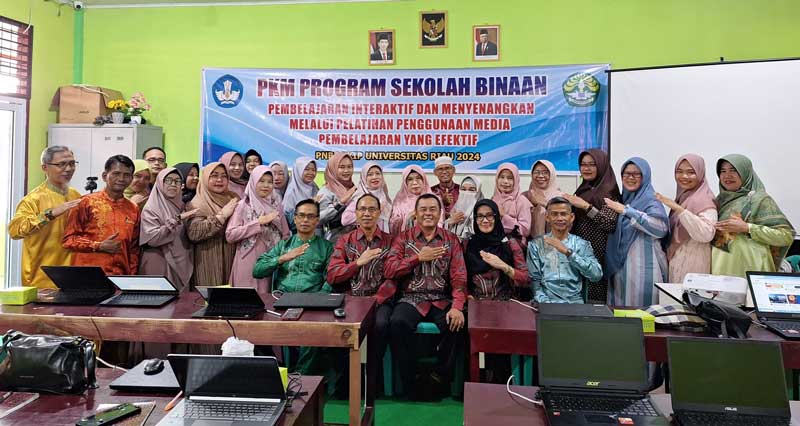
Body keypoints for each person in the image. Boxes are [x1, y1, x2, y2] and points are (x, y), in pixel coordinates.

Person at [385, 194, 467, 399]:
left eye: (433, 209)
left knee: (457, 323)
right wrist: (416, 258)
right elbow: (389, 269)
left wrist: (457, 306)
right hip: (411, 299)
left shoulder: (451, 240)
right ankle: (410, 379)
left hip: (442, 299)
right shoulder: (403, 238)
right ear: (416, 213)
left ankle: (440, 378)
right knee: (397, 322)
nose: (428, 213)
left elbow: (459, 277)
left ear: (440, 213)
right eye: (423, 209)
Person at [326, 193, 396, 384]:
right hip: (350, 299)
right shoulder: (344, 240)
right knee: (335, 327)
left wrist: (377, 299)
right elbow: (332, 275)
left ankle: (372, 380)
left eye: (372, 209)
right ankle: (345, 381)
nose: (367, 213)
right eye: (362, 209)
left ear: (379, 212)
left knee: (380, 325)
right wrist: (358, 263)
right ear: (356, 213)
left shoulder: (390, 241)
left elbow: (394, 278)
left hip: (378, 302)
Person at [8, 146, 82, 288]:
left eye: (72, 163)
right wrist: (50, 214)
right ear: (45, 168)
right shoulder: (33, 199)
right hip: (41, 278)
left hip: (71, 275)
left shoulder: (75, 195)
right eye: (61, 164)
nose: (68, 169)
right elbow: (14, 230)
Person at [711, 154, 794, 277]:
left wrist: (747, 228)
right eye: (723, 171)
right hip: (721, 267)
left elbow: (785, 236)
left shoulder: (759, 199)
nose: (727, 176)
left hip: (750, 267)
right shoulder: (719, 200)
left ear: (746, 173)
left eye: (734, 170)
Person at [605, 158, 669, 307]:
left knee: (643, 317)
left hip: (644, 268)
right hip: (621, 269)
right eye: (626, 174)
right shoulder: (623, 199)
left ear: (645, 176)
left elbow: (660, 229)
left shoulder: (650, 200)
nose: (630, 178)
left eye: (636, 174)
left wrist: (628, 211)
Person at [63, 155, 140, 275]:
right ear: (105, 176)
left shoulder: (133, 208)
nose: (121, 178)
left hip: (120, 277)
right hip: (88, 274)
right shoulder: (85, 203)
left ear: (131, 179)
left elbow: (134, 249)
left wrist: (132, 277)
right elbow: (68, 240)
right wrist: (98, 246)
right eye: (116, 173)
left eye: (127, 175)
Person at [561, 149, 621, 303]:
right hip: (579, 250)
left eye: (592, 164)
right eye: (583, 164)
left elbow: (609, 223)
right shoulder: (583, 189)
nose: (586, 168)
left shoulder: (610, 192)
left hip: (599, 252)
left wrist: (586, 207)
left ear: (601, 166)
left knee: (594, 301)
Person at [226, 166, 290, 293]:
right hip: (248, 259)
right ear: (253, 181)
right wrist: (257, 223)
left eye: (269, 182)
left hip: (271, 259)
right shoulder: (243, 206)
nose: (266, 185)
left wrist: (280, 256)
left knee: (268, 298)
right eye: (261, 181)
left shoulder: (276, 205)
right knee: (247, 299)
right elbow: (230, 235)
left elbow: (286, 234)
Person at [655, 154, 718, 283]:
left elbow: (706, 234)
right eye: (679, 171)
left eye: (691, 172)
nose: (684, 176)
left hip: (694, 263)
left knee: (690, 300)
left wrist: (679, 209)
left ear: (700, 173)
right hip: (678, 262)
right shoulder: (684, 197)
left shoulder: (704, 199)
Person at [527, 197, 603, 303]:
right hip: (546, 303)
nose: (559, 218)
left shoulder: (581, 244)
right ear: (547, 217)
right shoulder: (536, 245)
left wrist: (568, 253)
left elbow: (596, 275)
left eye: (563, 214)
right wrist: (546, 304)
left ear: (571, 217)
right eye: (554, 214)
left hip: (575, 303)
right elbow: (535, 281)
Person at [253, 199, 333, 293]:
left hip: (312, 301)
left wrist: (317, 300)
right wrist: (282, 258)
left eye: (310, 216)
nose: (305, 220)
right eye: (301, 215)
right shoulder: (284, 245)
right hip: (283, 299)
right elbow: (257, 271)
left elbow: (331, 279)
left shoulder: (326, 248)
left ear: (317, 220)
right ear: (295, 219)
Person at [139, 168, 198, 290]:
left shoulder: (183, 205)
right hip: (159, 261)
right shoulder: (151, 208)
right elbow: (153, 239)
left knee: (181, 305)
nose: (173, 185)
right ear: (160, 183)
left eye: (177, 181)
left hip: (182, 260)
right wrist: (177, 219)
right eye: (169, 181)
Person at [186, 162, 239, 287]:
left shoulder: (234, 198)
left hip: (233, 259)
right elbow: (194, 233)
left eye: (224, 176)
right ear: (205, 178)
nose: (219, 180)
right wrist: (222, 216)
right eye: (214, 176)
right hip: (208, 261)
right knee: (209, 300)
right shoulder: (196, 203)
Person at [465, 199, 528, 301]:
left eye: (489, 215)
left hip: (506, 305)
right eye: (480, 216)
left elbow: (525, 280)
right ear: (475, 219)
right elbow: (460, 279)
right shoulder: (467, 244)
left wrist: (503, 266)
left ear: (497, 217)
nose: (485, 220)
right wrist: (466, 295)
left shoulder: (509, 243)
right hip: (476, 305)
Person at [341, 161, 393, 233]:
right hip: (365, 238)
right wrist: (370, 213)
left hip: (384, 239)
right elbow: (345, 220)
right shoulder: (360, 197)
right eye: (370, 174)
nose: (375, 177)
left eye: (378, 173)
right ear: (364, 177)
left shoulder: (383, 195)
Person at [318, 152, 357, 241]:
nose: (346, 171)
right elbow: (318, 219)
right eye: (342, 167)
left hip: (355, 241)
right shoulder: (325, 191)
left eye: (349, 167)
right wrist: (340, 203)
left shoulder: (353, 188)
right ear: (333, 168)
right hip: (335, 241)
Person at [390, 165, 439, 235]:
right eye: (410, 179)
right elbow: (392, 229)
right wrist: (408, 218)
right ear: (405, 183)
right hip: (404, 242)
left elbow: (440, 224)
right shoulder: (399, 202)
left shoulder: (435, 200)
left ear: (424, 180)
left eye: (418, 178)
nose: (415, 182)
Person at [492, 163, 532, 244]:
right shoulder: (494, 198)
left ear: (516, 180)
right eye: (502, 177)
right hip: (494, 243)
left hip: (514, 246)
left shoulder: (522, 201)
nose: (505, 181)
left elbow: (525, 230)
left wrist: (504, 216)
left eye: (510, 178)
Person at [524, 160, 560, 239]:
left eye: (545, 172)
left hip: (555, 244)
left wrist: (545, 204)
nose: (540, 176)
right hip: (530, 244)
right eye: (536, 172)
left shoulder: (561, 197)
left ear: (552, 174)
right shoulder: (525, 196)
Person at [282, 157, 319, 230]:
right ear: (298, 170)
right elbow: (290, 222)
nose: (311, 173)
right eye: (306, 169)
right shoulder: (292, 192)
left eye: (313, 170)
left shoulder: (314, 187)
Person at [448, 175, 483, 240]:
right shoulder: (455, 208)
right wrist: (450, 222)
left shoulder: (483, 210)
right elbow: (443, 231)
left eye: (471, 190)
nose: (466, 193)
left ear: (478, 192)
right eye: (463, 189)